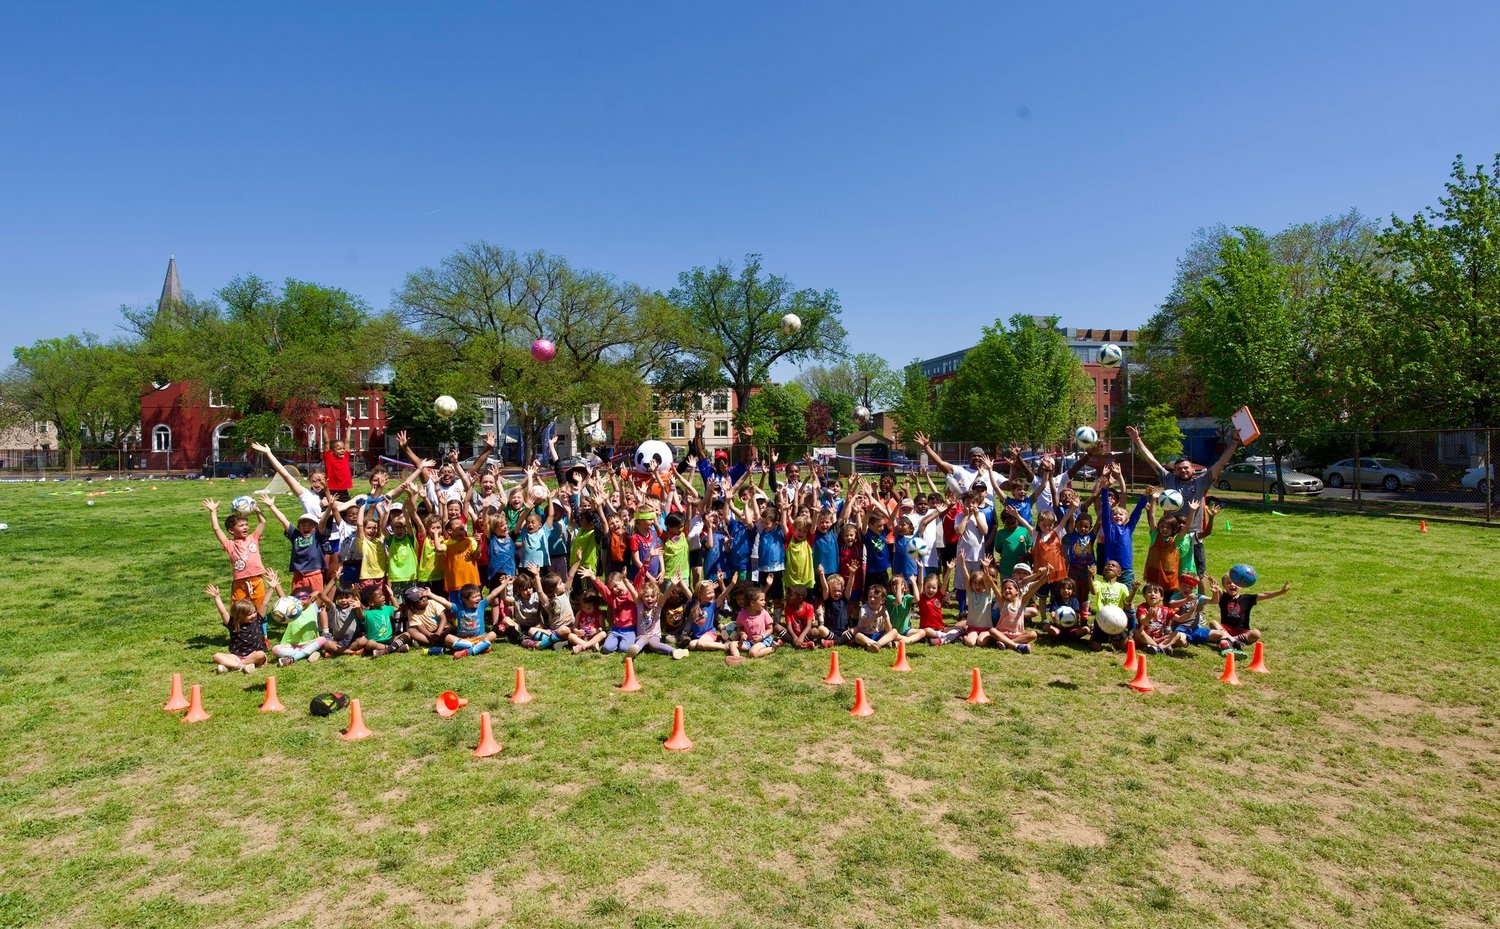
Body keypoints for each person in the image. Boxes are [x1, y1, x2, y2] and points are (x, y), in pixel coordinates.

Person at [1127, 424, 1239, 584]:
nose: (1183, 470)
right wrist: (1137, 440)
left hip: (1193, 534)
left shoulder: (1202, 481)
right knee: (1169, 569)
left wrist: (1234, 442)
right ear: (1174, 471)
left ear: (1193, 469)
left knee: (1196, 575)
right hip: (1171, 534)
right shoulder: (1169, 479)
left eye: (1186, 467)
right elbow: (1152, 461)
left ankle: (1199, 608)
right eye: (1179, 468)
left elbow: (1221, 462)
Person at [203, 498, 268, 611]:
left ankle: (261, 627)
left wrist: (257, 510)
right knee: (237, 608)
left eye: (246, 524)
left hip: (257, 579)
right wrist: (213, 511)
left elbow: (263, 522)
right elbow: (216, 529)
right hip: (240, 582)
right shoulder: (229, 544)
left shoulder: (253, 538)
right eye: (241, 525)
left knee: (260, 607)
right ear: (231, 531)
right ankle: (238, 627)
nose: (246, 527)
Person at [258, 492, 328, 594]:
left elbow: (323, 521)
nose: (306, 527)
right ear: (299, 526)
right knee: (297, 604)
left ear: (316, 527)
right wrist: (272, 506)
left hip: (314, 575)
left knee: (317, 603)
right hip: (298, 576)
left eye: (310, 525)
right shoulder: (295, 535)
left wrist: (329, 506)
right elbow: (283, 520)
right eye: (303, 524)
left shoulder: (317, 535)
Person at [1209, 574, 1291, 650]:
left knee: (1256, 633)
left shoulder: (1247, 599)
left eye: (1235, 583)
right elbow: (1218, 590)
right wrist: (1215, 587)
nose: (1232, 585)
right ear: (1224, 586)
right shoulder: (1223, 596)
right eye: (1229, 583)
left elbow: (1265, 595)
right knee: (1213, 623)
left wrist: (1281, 592)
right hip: (1225, 629)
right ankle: (1232, 640)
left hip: (1242, 632)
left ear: (1242, 586)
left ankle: (1230, 640)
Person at [206, 580, 270, 673]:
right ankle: (242, 666)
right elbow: (223, 612)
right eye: (249, 614)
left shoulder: (257, 620)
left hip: (254, 655)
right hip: (236, 656)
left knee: (260, 654)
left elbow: (264, 603)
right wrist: (217, 597)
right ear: (240, 616)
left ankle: (231, 666)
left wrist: (271, 588)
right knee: (216, 656)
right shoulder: (233, 624)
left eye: (254, 612)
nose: (253, 615)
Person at [272, 585, 327, 665]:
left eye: (304, 599)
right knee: (275, 649)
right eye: (298, 599)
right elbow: (283, 597)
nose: (301, 601)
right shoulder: (291, 612)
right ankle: (306, 653)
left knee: (322, 639)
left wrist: (319, 592)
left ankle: (293, 658)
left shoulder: (313, 607)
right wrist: (276, 585)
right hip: (293, 646)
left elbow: (323, 595)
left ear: (310, 598)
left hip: (310, 643)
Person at [446, 583, 502, 658]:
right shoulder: (458, 608)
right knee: (448, 638)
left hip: (480, 638)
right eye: (475, 597)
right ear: (465, 599)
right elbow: (444, 602)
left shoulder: (481, 604)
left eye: (479, 595)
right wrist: (430, 594)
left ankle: (468, 651)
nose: (478, 598)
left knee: (493, 634)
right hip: (463, 640)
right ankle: (479, 648)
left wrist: (505, 583)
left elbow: (493, 593)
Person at [728, 585, 777, 660]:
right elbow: (739, 627)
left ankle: (772, 648)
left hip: (763, 640)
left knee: (752, 653)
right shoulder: (742, 614)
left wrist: (762, 637)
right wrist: (742, 633)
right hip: (749, 641)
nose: (764, 602)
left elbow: (770, 629)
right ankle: (737, 658)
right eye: (761, 600)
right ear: (752, 603)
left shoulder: (764, 613)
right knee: (732, 644)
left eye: (764, 600)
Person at [853, 583, 897, 652]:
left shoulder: (883, 610)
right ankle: (879, 644)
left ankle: (876, 645)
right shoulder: (864, 608)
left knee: (894, 631)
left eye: (875, 597)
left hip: (879, 634)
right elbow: (864, 623)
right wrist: (877, 615)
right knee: (858, 636)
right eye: (870, 597)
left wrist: (885, 616)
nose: (872, 599)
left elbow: (889, 630)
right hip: (866, 635)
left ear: (882, 600)